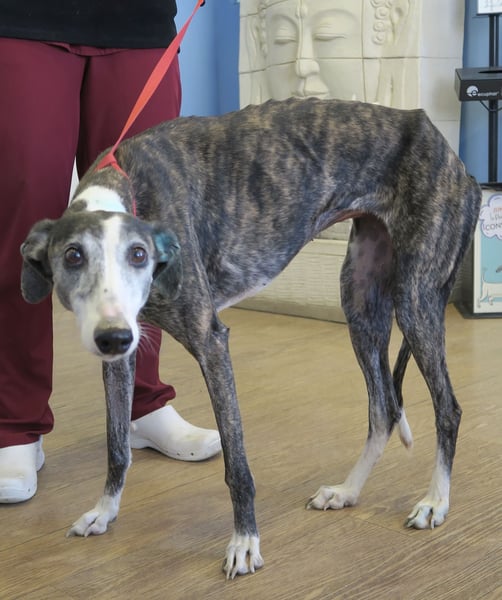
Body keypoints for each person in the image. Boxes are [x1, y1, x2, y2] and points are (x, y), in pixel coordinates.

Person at [0, 1, 221, 504]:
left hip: (138, 21)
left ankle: (142, 403)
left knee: (144, 222)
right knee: (20, 225)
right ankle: (14, 424)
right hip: (19, 19)